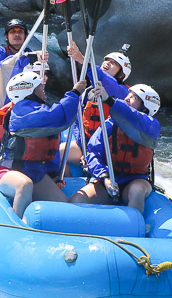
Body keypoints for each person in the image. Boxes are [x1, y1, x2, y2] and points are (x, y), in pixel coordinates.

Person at [0, 68, 87, 218]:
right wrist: (74, 94)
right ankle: (17, 225)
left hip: (35, 171)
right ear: (29, 92)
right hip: (8, 171)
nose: (44, 88)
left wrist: (54, 175)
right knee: (24, 185)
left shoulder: (39, 109)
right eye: (40, 86)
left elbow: (49, 150)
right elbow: (56, 116)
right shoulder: (21, 113)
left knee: (63, 206)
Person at [69, 84, 161, 214]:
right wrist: (105, 177)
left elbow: (136, 118)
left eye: (134, 97)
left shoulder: (151, 127)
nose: (127, 99)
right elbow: (93, 153)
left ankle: (134, 229)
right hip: (109, 179)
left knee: (137, 191)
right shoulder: (109, 125)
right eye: (128, 95)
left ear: (146, 106)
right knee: (77, 201)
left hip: (135, 179)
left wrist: (111, 101)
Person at [61, 42, 132, 166]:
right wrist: (86, 148)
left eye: (114, 63)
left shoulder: (124, 93)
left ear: (121, 74)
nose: (107, 63)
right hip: (85, 144)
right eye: (107, 60)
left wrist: (83, 60)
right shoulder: (87, 92)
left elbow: (107, 83)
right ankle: (61, 181)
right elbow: (79, 122)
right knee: (53, 154)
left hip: (108, 149)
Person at [0, 60, 50, 166]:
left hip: (15, 150)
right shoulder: (9, 98)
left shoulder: (41, 104)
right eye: (37, 74)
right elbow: (7, 72)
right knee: (18, 164)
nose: (43, 78)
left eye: (45, 74)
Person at [0, 19, 48, 109]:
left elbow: (40, 78)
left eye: (20, 32)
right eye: (13, 32)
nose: (17, 34)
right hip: (4, 98)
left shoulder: (32, 54)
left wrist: (42, 63)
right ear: (6, 36)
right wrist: (28, 56)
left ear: (26, 36)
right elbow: (3, 67)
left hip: (25, 97)